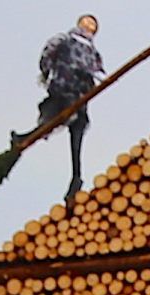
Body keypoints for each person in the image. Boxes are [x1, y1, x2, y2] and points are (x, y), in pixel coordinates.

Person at [38, 16, 109, 198]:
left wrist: (97, 82)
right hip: (63, 87)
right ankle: (33, 133)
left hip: (79, 94)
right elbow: (48, 53)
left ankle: (76, 177)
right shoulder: (65, 40)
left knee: (77, 129)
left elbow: (98, 71)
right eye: (86, 22)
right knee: (50, 117)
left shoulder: (92, 52)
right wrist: (46, 71)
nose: (88, 25)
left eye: (92, 24)